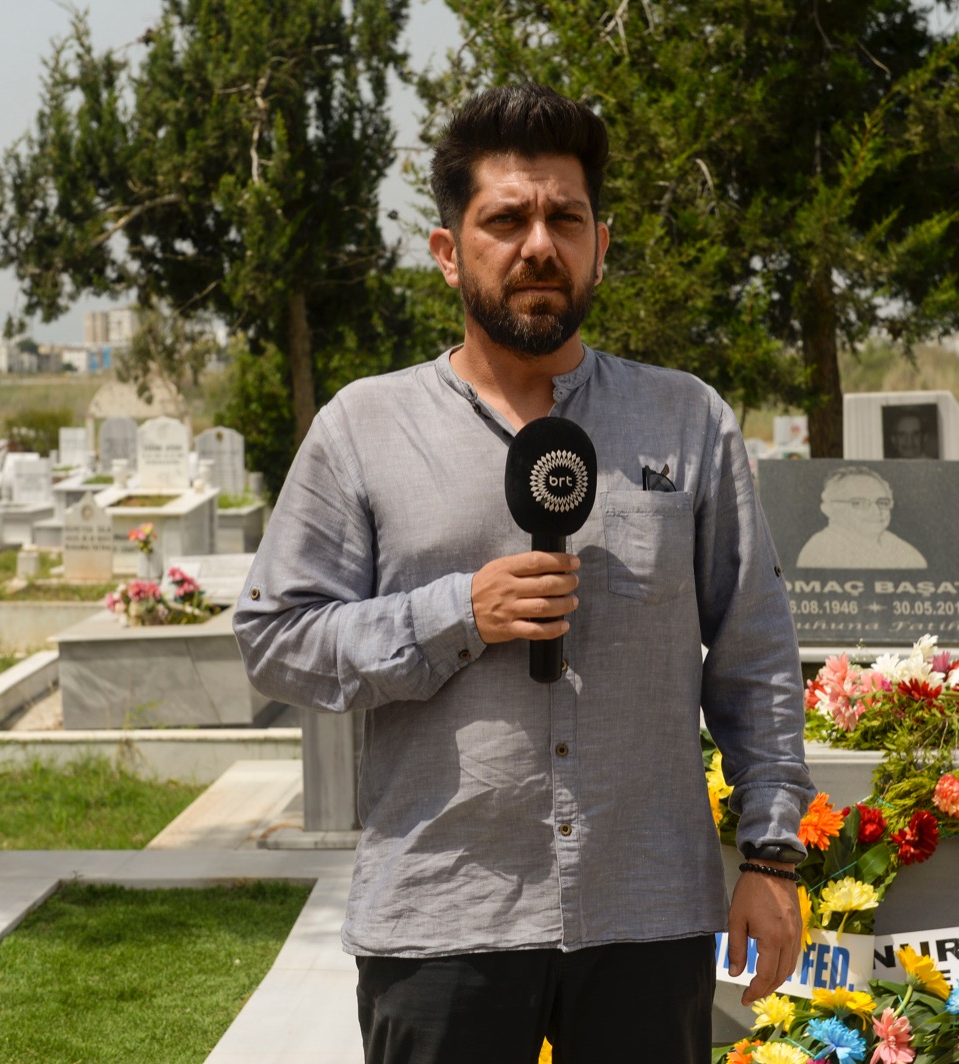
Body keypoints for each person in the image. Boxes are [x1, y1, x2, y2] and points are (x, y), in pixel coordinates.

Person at [233, 83, 812, 1063]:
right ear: (448, 250)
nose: (539, 244)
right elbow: (275, 637)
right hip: (440, 915)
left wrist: (771, 854)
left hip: (646, 912)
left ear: (600, 245)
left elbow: (753, 651)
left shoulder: (687, 420)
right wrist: (459, 610)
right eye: (506, 220)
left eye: (565, 219)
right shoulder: (363, 428)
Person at [796, 467, 927, 569]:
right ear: (830, 508)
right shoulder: (820, 550)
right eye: (858, 503)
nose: (876, 511)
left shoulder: (901, 548)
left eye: (882, 502)